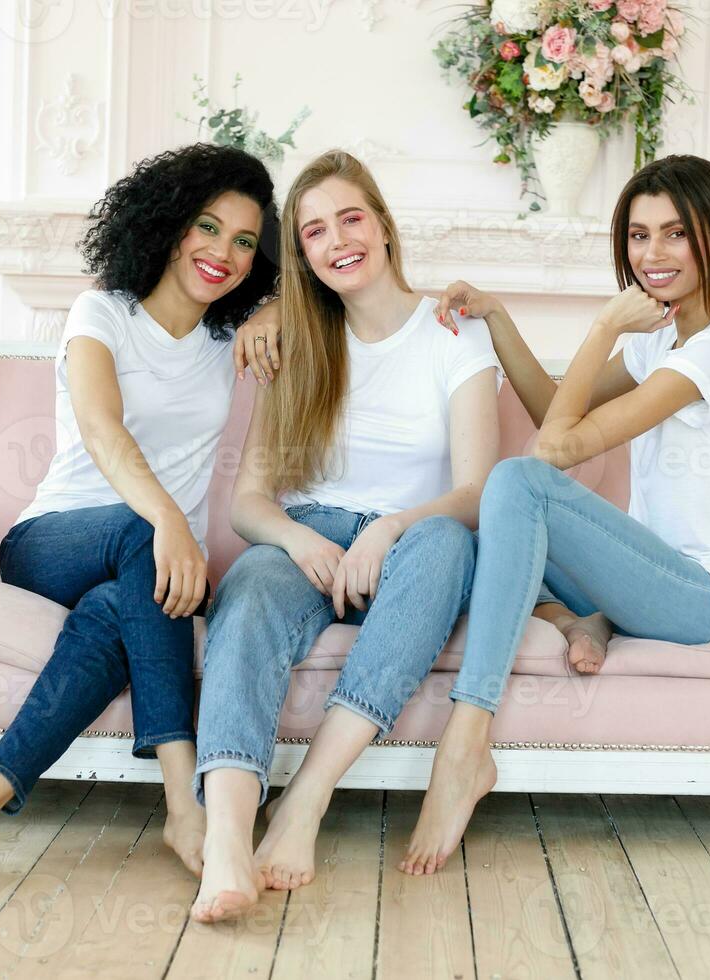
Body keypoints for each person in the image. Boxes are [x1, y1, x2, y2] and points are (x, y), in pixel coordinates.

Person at [0, 143, 279, 889]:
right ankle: (182, 797)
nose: (223, 251)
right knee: (143, 537)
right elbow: (102, 428)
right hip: (52, 542)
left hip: (140, 570)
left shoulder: (229, 336)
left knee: (110, 613)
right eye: (207, 226)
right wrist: (167, 521)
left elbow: (338, 295)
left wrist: (283, 302)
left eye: (245, 241)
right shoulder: (101, 312)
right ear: (166, 223)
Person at [401, 154, 710, 875]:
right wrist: (500, 318)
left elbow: (554, 451)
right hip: (657, 581)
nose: (653, 255)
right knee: (492, 521)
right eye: (639, 236)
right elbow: (553, 407)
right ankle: (584, 619)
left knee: (516, 483)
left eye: (676, 234)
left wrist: (605, 323)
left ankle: (465, 739)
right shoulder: (664, 342)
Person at [188, 150, 501, 922]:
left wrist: (392, 527)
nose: (337, 241)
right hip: (315, 540)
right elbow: (250, 502)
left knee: (447, 545)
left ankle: (306, 801)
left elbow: (477, 492)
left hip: (416, 542)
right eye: (315, 232)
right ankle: (227, 840)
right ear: (304, 256)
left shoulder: (452, 334)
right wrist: (299, 543)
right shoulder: (299, 340)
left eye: (350, 219)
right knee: (255, 583)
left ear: (385, 228)